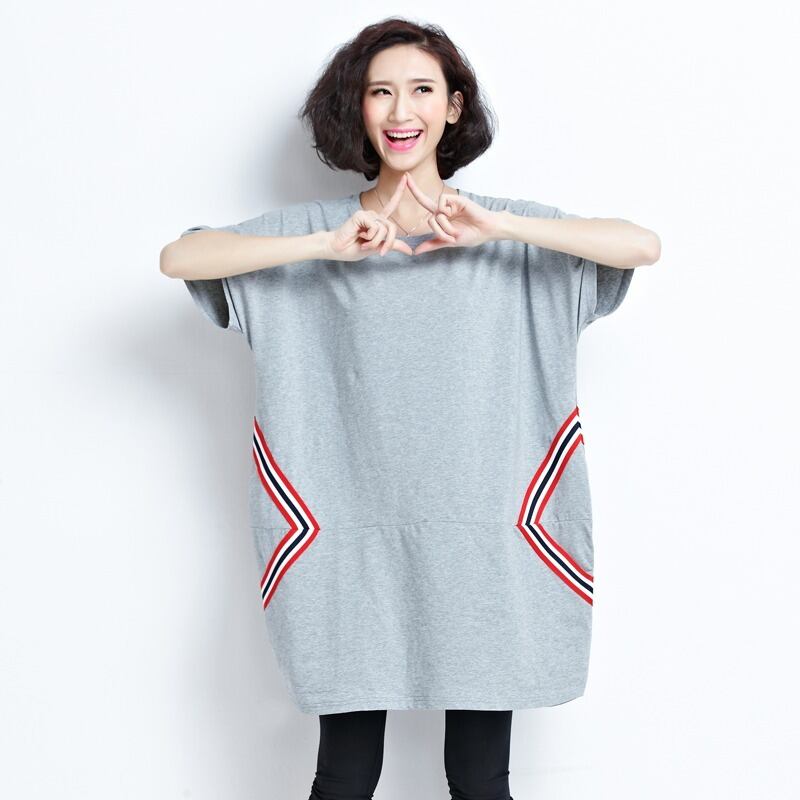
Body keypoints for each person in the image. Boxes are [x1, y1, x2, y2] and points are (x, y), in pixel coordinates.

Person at [160, 16, 660, 800]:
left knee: (480, 780)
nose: (401, 111)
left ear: (454, 107)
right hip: (349, 546)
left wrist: (499, 226)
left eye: (422, 90)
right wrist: (323, 246)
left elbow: (642, 244)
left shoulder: (508, 234)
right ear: (356, 109)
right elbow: (181, 257)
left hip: (488, 546)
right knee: (345, 775)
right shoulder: (316, 233)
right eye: (380, 92)